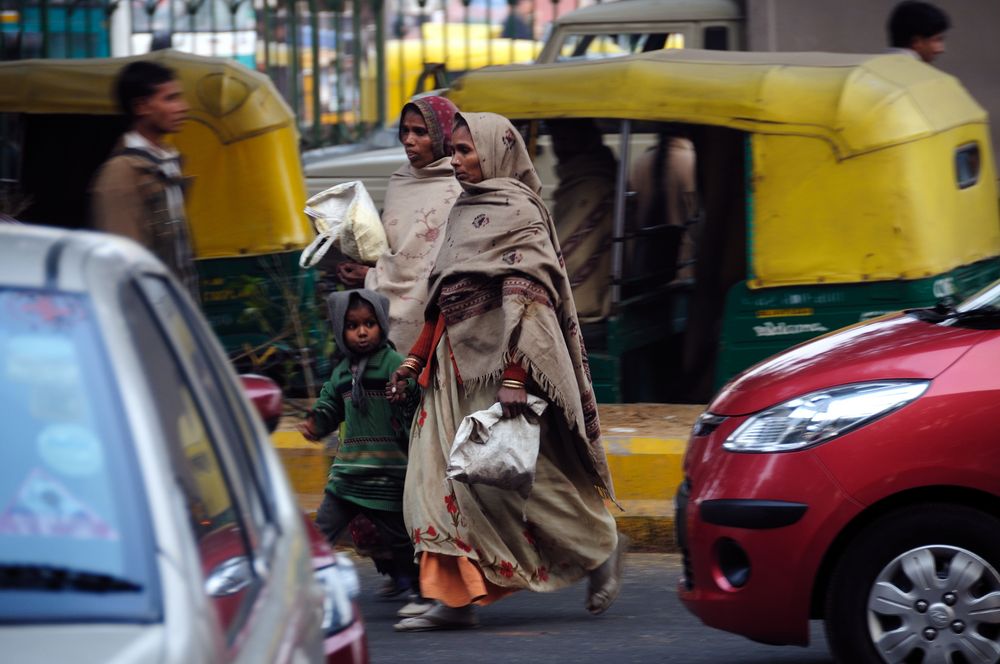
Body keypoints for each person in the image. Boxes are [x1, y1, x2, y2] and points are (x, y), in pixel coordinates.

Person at [388, 112, 628, 632]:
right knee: (431, 484)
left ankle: (600, 544)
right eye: (452, 151)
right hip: (448, 372)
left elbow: (531, 298)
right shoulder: (463, 210)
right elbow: (442, 297)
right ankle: (453, 600)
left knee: (512, 481)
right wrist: (414, 359)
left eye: (466, 151)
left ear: (498, 152)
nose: (456, 161)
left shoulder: (518, 210)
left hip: (495, 372)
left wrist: (516, 375)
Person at [300, 289, 421, 601]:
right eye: (353, 326)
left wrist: (403, 392)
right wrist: (316, 424)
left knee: (399, 538)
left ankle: (418, 587)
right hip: (347, 475)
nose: (362, 332)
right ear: (341, 330)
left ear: (381, 324)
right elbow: (329, 405)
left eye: (369, 323)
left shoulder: (392, 362)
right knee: (323, 530)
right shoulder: (341, 372)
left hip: (386, 473)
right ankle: (302, 591)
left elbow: (413, 395)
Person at [90, 61, 198, 299]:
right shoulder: (122, 173)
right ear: (141, 107)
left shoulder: (165, 163)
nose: (183, 107)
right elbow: (125, 263)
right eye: (170, 99)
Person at [548, 119, 617, 323]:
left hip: (586, 308)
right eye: (556, 137)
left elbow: (569, 258)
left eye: (565, 136)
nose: (558, 144)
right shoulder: (585, 176)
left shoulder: (591, 186)